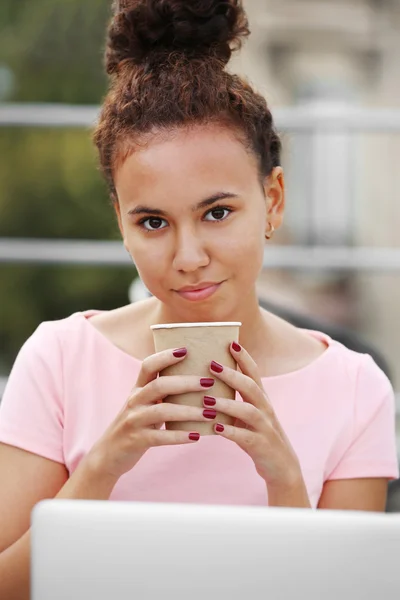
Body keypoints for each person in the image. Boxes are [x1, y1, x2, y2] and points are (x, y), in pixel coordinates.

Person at [0, 1, 398, 597]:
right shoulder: (59, 360)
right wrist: (102, 466)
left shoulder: (354, 387)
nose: (188, 256)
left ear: (275, 200)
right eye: (153, 222)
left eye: (217, 213)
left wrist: (284, 479)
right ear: (120, 221)